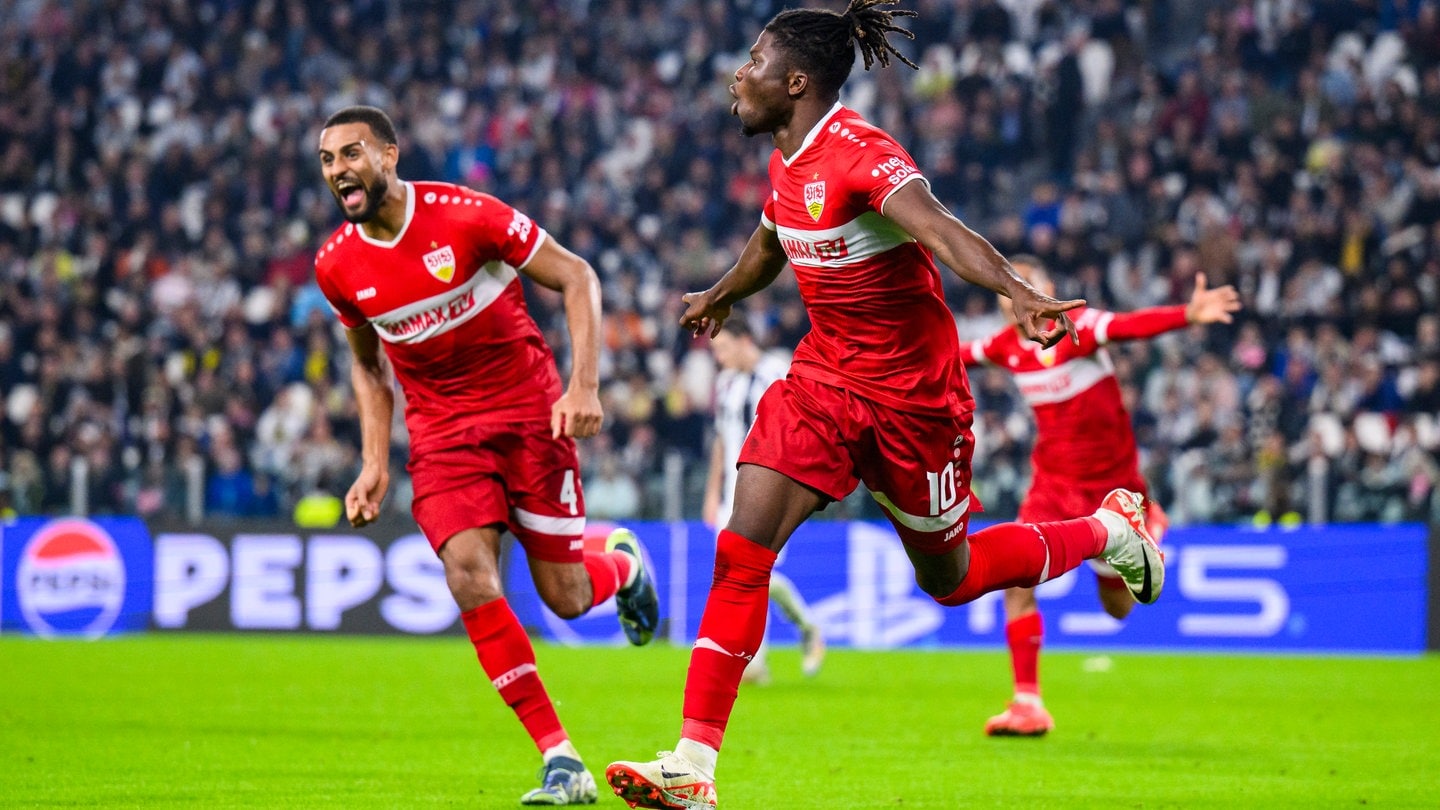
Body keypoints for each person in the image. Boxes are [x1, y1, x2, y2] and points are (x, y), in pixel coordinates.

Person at [605, 3, 1165, 807]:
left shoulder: (861, 155)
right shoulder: (786, 159)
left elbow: (940, 231)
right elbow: (770, 242)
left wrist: (1017, 292)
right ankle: (693, 766)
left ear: (795, 82)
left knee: (954, 574)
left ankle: (1109, 532)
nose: (739, 73)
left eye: (754, 61)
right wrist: (721, 294)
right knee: (741, 548)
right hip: (824, 385)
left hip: (915, 405)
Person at [312, 105, 659, 806]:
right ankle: (561, 760)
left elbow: (577, 276)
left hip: (530, 416)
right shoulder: (338, 267)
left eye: (351, 154)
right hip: (441, 437)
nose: (338, 170)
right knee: (469, 574)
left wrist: (583, 384)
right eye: (326, 160)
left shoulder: (466, 216)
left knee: (564, 597)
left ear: (389, 154)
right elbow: (368, 368)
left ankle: (621, 566)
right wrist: (375, 461)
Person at [964, 256, 1240, 737]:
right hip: (1051, 486)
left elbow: (1131, 326)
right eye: (1006, 293)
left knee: (1118, 608)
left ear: (1049, 289)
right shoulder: (1005, 348)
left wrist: (1186, 315)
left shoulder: (1081, 328)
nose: (1016, 300)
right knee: (1016, 579)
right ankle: (1027, 703)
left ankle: (1146, 517)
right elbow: (954, 353)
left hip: (1112, 489)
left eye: (1027, 286)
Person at [702, 318, 825, 684]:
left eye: (723, 349)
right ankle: (802, 631)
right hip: (731, 495)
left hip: (771, 491)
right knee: (739, 572)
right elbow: (723, 440)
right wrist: (712, 492)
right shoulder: (726, 384)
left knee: (756, 572)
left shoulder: (779, 372)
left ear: (745, 340)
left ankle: (755, 661)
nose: (720, 358)